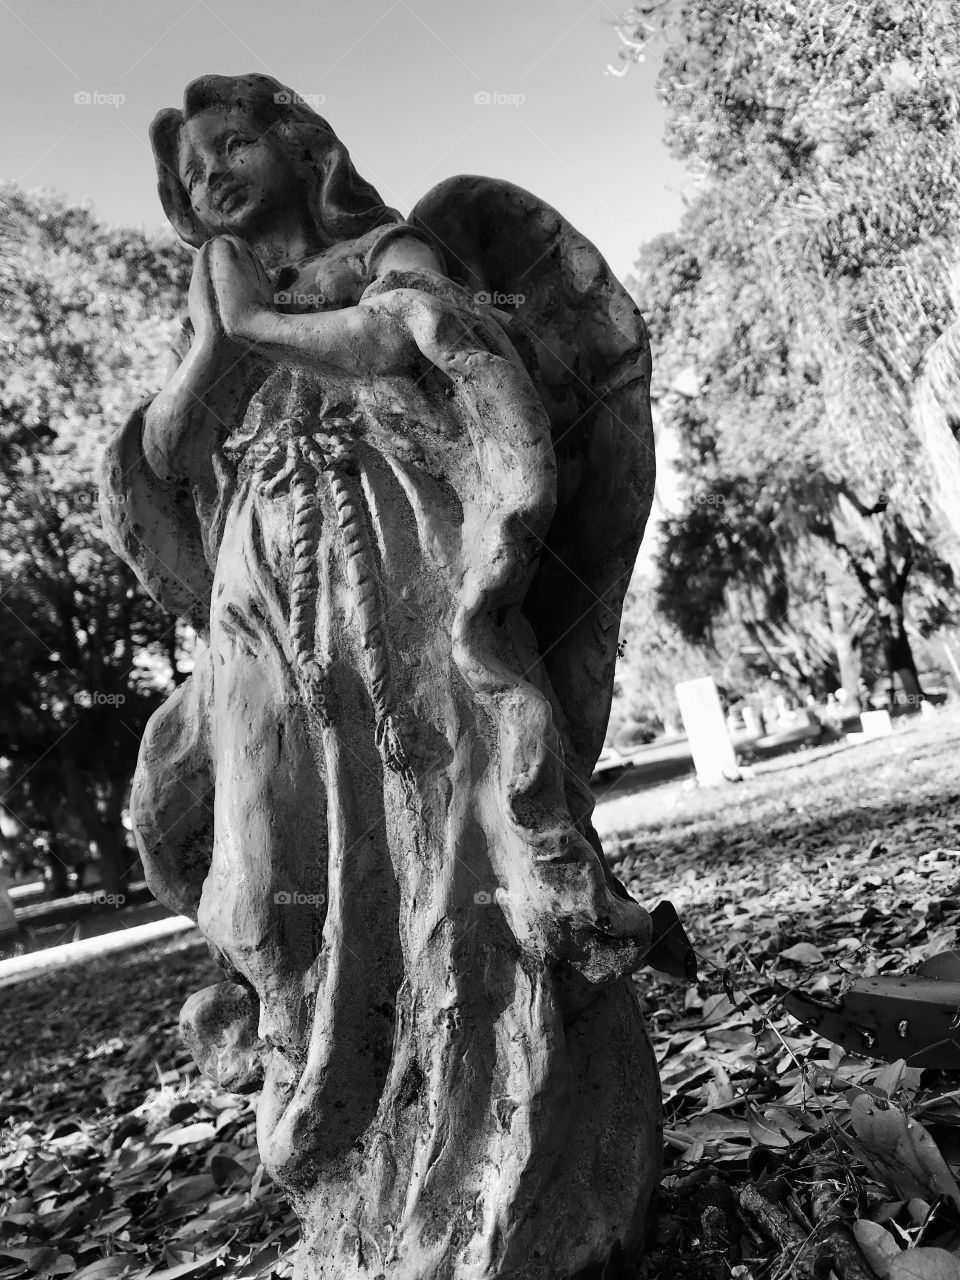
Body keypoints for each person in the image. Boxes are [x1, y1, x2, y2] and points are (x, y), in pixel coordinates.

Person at [101, 74, 663, 1277]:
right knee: (263, 873)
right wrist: (211, 342)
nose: (209, 178)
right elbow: (165, 451)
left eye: (233, 143)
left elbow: (419, 333)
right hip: (262, 605)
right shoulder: (220, 299)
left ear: (307, 150)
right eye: (191, 171)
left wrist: (258, 329)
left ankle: (488, 1134)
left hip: (392, 572)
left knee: (433, 820)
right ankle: (340, 1125)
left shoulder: (386, 245)